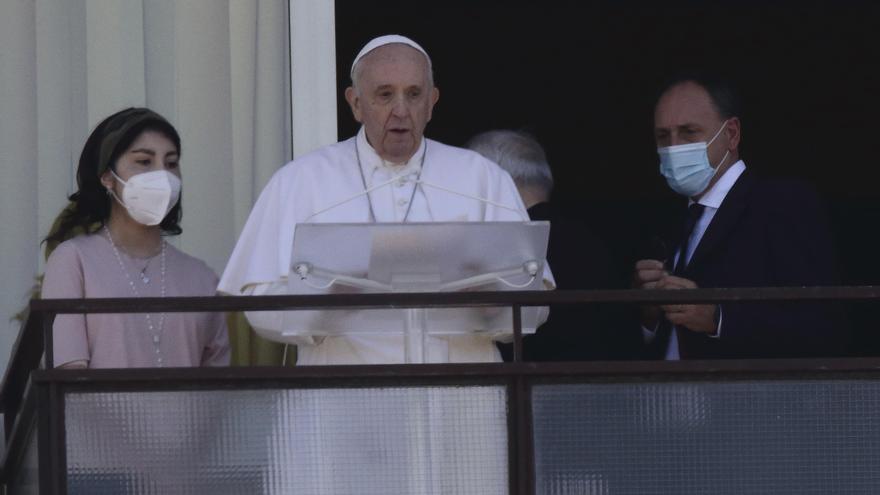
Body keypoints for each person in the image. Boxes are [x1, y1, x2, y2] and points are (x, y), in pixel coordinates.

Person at [219, 35, 551, 365]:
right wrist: (323, 306)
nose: (401, 110)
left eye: (414, 94)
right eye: (385, 94)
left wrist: (491, 305)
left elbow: (535, 300)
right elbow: (258, 302)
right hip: (344, 400)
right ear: (355, 103)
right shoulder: (301, 180)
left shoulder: (481, 177)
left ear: (432, 102)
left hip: (459, 399)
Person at [633, 72, 847, 359]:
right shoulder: (668, 217)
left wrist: (718, 319)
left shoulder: (781, 204)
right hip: (665, 398)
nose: (674, 147)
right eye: (663, 136)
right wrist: (648, 313)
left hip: (744, 400)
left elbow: (822, 325)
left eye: (689, 132)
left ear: (731, 134)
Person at [41, 107, 230, 368]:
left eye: (171, 163)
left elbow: (218, 388)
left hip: (189, 411)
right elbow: (68, 377)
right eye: (144, 161)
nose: (162, 175)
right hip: (98, 411)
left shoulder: (201, 277)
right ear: (107, 177)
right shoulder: (73, 261)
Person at [467, 130, 640, 361]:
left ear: (493, 181)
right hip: (607, 387)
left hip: (538, 392)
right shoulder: (593, 241)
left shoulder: (508, 249)